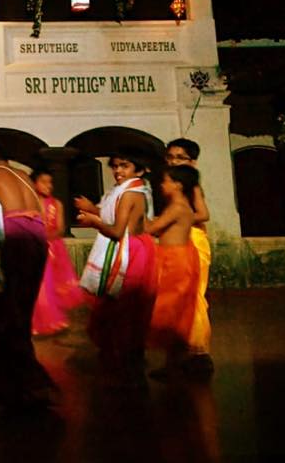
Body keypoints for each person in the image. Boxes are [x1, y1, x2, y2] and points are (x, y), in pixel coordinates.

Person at [0, 143, 54, 409]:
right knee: (22, 310)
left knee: (3, 308)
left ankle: (6, 384)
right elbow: (40, 214)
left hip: (13, 238)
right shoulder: (24, 176)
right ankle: (28, 380)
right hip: (38, 238)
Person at [74, 149, 157, 386]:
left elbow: (117, 230)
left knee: (123, 306)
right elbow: (114, 218)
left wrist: (93, 221)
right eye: (116, 166)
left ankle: (124, 362)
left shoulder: (130, 194)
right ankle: (126, 357)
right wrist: (93, 209)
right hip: (134, 247)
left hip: (130, 251)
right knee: (122, 307)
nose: (118, 171)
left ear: (139, 170)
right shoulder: (129, 190)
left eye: (124, 166)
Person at [145, 165, 201, 379]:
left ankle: (174, 365)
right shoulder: (181, 205)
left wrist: (136, 210)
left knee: (170, 310)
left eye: (166, 181)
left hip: (174, 260)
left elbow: (151, 229)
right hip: (178, 257)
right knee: (176, 310)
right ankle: (175, 362)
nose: (162, 185)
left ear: (178, 185)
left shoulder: (177, 207)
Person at [166, 138, 214, 376]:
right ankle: (180, 356)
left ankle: (199, 352)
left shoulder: (192, 185)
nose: (173, 161)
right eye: (170, 157)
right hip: (180, 241)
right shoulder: (175, 184)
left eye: (180, 157)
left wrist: (178, 218)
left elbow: (203, 214)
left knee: (193, 297)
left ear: (192, 162)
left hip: (193, 241)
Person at [30, 165, 83, 336]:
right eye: (44, 182)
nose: (49, 186)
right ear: (34, 183)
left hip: (54, 248)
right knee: (40, 285)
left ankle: (51, 317)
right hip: (35, 247)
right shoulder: (29, 203)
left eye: (50, 182)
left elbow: (60, 228)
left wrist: (45, 239)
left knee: (52, 284)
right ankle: (39, 319)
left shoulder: (57, 203)